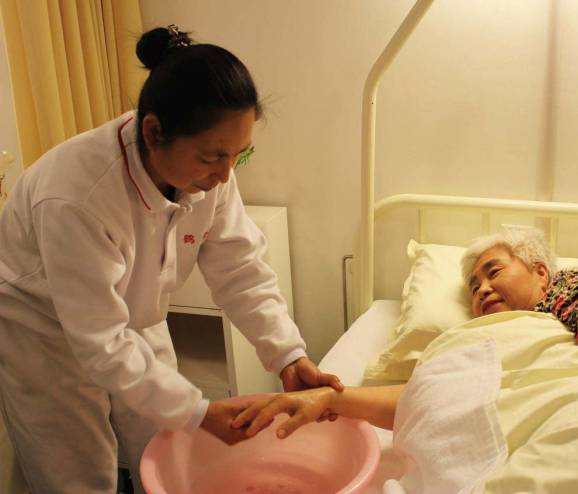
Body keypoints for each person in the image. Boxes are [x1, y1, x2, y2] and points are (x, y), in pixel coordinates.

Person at [0, 25, 341, 494]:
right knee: (77, 473)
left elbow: (240, 267)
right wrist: (199, 411)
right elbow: (100, 340)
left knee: (164, 448)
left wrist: (287, 353)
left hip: (134, 315)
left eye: (237, 156)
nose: (225, 175)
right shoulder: (77, 196)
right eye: (212, 158)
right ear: (153, 132)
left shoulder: (207, 170)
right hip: (43, 329)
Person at [233, 228, 578, 493]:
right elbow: (432, 400)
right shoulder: (471, 342)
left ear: (541, 273)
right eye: (474, 286)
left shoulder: (568, 291)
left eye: (494, 272)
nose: (482, 289)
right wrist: (330, 398)